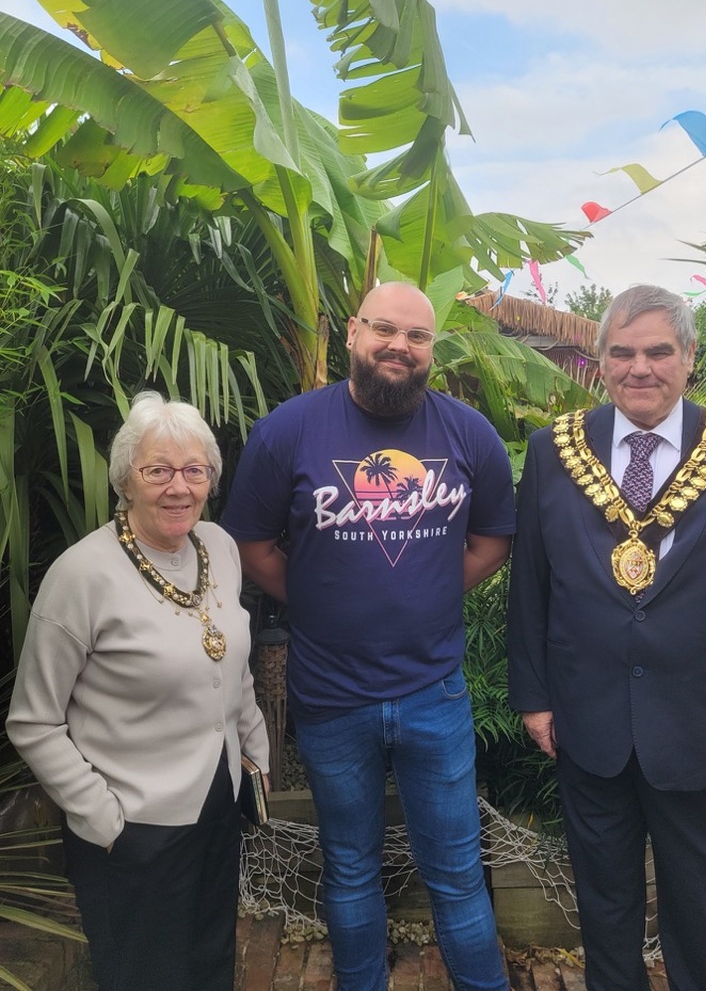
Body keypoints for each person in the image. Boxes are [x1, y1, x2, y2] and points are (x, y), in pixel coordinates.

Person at [222, 281, 515, 991]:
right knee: (349, 867)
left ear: (431, 351)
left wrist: (432, 593)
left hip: (433, 690)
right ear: (352, 332)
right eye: (385, 328)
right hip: (330, 695)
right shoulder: (288, 431)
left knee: (456, 870)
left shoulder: (467, 433)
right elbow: (252, 543)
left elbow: (493, 539)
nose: (399, 345)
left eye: (417, 336)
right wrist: (318, 598)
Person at [507, 284, 706, 991]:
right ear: (600, 360)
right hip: (589, 718)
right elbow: (532, 585)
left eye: (659, 351)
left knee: (705, 905)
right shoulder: (555, 452)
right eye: (623, 352)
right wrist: (535, 697)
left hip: (704, 722)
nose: (641, 367)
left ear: (689, 356)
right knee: (604, 902)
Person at [7, 391, 270, 991]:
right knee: (144, 976)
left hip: (217, 805)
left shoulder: (220, 549)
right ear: (126, 478)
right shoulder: (81, 575)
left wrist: (254, 753)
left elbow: (234, 661)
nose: (178, 487)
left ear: (211, 478)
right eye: (158, 470)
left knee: (209, 964)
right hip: (131, 827)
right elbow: (33, 722)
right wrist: (103, 816)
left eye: (194, 470)